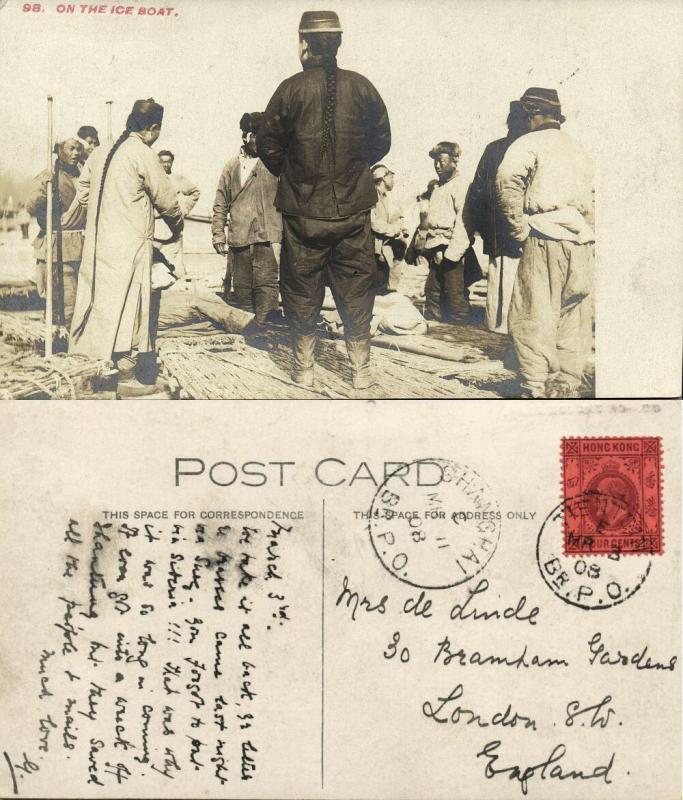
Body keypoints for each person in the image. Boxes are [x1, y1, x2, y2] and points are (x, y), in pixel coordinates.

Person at [258, 10, 391, 389]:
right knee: (357, 289)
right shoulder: (362, 86)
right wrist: (351, 169)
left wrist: (299, 174)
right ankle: (361, 374)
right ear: (339, 43)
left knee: (300, 290)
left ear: (304, 45)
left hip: (303, 214)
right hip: (352, 212)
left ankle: (303, 372)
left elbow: (268, 146)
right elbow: (380, 141)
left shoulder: (289, 89)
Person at [69, 98, 183, 396]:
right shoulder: (142, 154)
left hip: (97, 247)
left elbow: (82, 194)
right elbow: (168, 203)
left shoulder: (100, 152)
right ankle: (127, 376)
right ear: (153, 128)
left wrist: (102, 209)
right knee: (131, 308)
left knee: (98, 303)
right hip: (130, 246)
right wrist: (176, 228)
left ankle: (91, 369)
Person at [496, 87, 595, 399]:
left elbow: (507, 184)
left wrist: (518, 231)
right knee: (573, 316)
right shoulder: (579, 148)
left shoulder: (527, 143)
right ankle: (566, 384)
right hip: (580, 241)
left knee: (534, 313)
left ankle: (535, 386)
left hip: (545, 236)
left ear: (530, 115)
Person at [211, 113, 282, 324]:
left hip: (267, 238)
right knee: (242, 289)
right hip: (239, 238)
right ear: (247, 136)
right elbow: (220, 202)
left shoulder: (275, 165)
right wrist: (218, 235)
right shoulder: (231, 167)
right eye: (260, 137)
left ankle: (266, 331)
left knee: (267, 286)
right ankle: (249, 332)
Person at [466, 101, 528, 333]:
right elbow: (478, 191)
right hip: (515, 229)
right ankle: (505, 327)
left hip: (498, 230)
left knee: (500, 279)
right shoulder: (519, 148)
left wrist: (482, 227)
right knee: (512, 280)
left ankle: (498, 325)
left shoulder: (494, 149)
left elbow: (477, 192)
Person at [25, 138, 86, 328]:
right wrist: (46, 191)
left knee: (81, 297)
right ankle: (63, 340)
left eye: (78, 149)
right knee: (65, 297)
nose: (76, 153)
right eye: (71, 149)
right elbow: (31, 206)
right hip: (59, 243)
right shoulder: (48, 177)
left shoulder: (83, 174)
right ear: (59, 151)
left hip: (82, 243)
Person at [420, 141, 478, 323]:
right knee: (432, 293)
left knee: (454, 296)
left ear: (454, 161)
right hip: (436, 246)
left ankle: (459, 336)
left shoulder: (460, 186)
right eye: (435, 161)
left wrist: (451, 253)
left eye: (442, 161)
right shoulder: (438, 187)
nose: (437, 165)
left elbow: (465, 222)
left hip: (451, 249)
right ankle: (435, 333)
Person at [155, 149, 200, 279]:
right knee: (155, 268)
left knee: (176, 270)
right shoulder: (152, 180)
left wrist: (184, 210)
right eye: (162, 162)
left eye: (168, 162)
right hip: (155, 227)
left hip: (172, 228)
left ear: (172, 162)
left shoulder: (178, 179)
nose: (166, 165)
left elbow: (195, 192)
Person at [371, 164, 409, 294]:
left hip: (385, 250)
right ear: (383, 178)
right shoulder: (370, 196)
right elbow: (373, 223)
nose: (393, 180)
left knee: (383, 285)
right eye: (391, 177)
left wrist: (401, 229)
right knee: (374, 288)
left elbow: (396, 217)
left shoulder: (387, 198)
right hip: (372, 251)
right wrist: (394, 230)